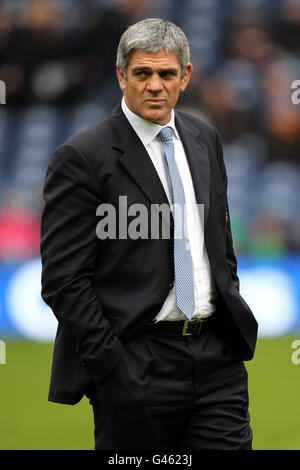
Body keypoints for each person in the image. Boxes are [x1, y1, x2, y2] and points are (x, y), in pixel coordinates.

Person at [40, 18, 258, 450]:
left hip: (217, 361)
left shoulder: (204, 138)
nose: (155, 85)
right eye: (142, 73)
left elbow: (219, 244)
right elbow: (64, 279)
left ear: (186, 76)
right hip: (135, 364)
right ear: (122, 76)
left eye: (167, 74)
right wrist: (111, 363)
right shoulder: (82, 157)